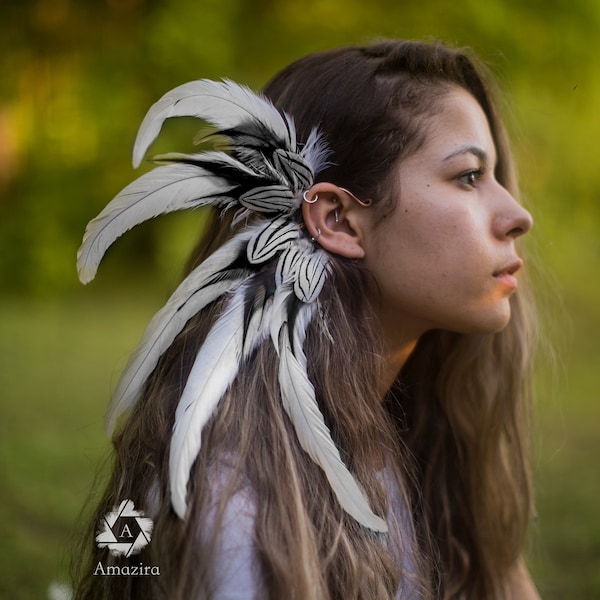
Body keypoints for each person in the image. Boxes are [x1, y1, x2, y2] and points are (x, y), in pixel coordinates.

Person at [73, 39, 541, 599]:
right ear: (338, 220)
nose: (518, 215)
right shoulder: (232, 511)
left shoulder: (422, 430)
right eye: (468, 176)